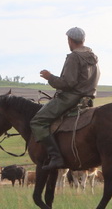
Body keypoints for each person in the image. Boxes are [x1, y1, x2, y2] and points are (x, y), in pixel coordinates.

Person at [31, 27, 101, 171]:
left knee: (37, 121)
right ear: (83, 40)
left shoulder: (74, 57)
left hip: (71, 97)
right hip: (87, 98)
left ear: (70, 40)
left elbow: (68, 83)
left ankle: (56, 157)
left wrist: (50, 77)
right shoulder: (92, 57)